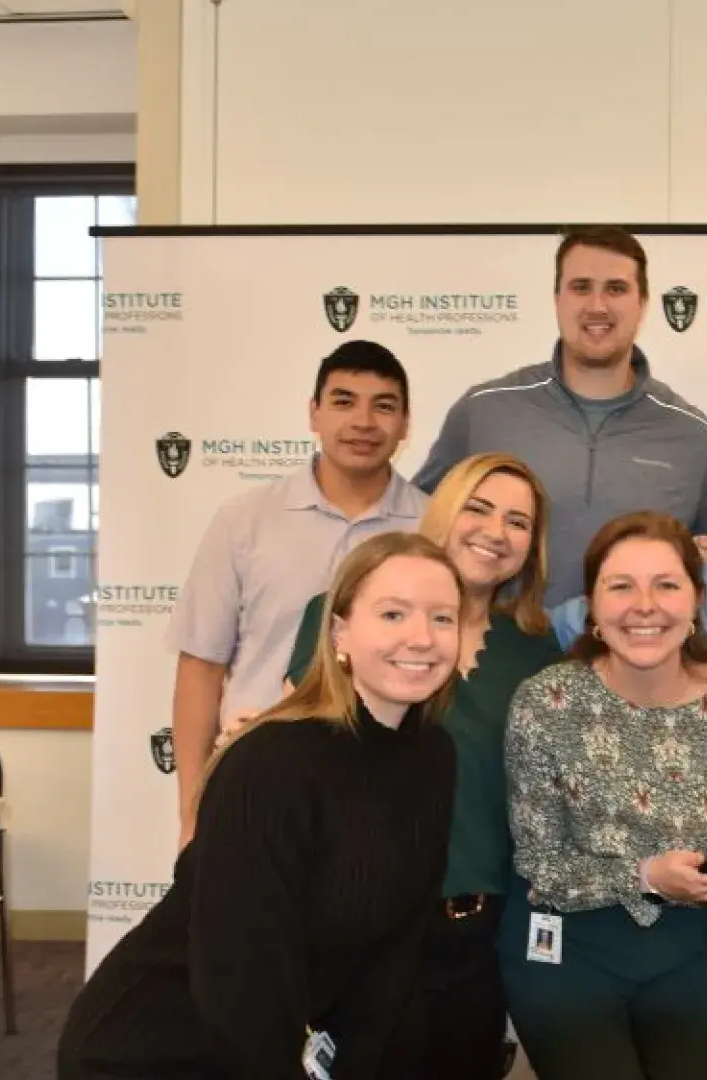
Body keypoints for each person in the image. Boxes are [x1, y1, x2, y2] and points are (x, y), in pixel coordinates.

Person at [58, 532, 463, 1080]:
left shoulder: (432, 756)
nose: (422, 638)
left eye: (443, 618)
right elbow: (241, 979)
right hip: (155, 1048)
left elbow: (393, 949)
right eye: (393, 614)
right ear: (340, 632)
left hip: (281, 1042)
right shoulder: (273, 762)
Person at [279, 453, 566, 1080]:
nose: (496, 530)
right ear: (443, 511)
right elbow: (297, 747)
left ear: (533, 547)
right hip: (362, 923)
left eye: (519, 521)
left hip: (477, 933)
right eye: (479, 507)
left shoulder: (536, 648)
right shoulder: (345, 615)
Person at [502, 511, 707, 1080]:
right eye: (620, 586)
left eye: (666, 585)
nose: (644, 605)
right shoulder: (545, 704)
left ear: (696, 599)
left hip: (690, 953)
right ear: (592, 606)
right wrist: (646, 876)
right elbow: (541, 865)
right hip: (569, 948)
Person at [167, 340, 427, 844]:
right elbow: (201, 667)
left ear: (405, 423)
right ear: (314, 413)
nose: (364, 421)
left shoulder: (432, 527)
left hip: (383, 789)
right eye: (344, 401)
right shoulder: (244, 521)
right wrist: (191, 810)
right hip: (256, 778)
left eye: (384, 406)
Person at [415, 225, 707, 606]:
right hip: (502, 656)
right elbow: (422, 529)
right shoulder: (483, 411)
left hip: (634, 658)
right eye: (581, 287)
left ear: (642, 304)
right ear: (557, 299)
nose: (597, 306)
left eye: (616, 289)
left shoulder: (693, 436)